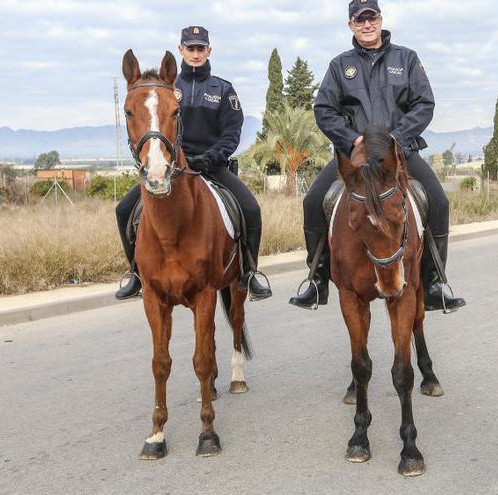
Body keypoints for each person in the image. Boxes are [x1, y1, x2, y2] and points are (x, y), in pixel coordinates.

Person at [288, 0, 465, 312]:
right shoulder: (339, 66)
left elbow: (424, 103)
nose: (367, 25)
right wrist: (352, 138)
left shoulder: (407, 59)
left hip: (399, 154)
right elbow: (324, 110)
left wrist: (396, 137)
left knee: (438, 201)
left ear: (381, 20)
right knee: (313, 201)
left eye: (371, 18)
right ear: (351, 25)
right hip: (355, 157)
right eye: (360, 20)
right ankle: (317, 279)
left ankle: (435, 281)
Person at [115, 26, 271, 301]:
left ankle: (249, 271)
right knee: (124, 210)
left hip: (213, 166)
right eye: (191, 48)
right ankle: (136, 272)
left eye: (201, 48)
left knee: (250, 208)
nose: (196, 53)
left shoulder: (223, 89)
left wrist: (211, 157)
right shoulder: (166, 89)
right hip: (172, 167)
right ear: (181, 50)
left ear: (209, 51)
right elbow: (157, 126)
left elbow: (232, 132)